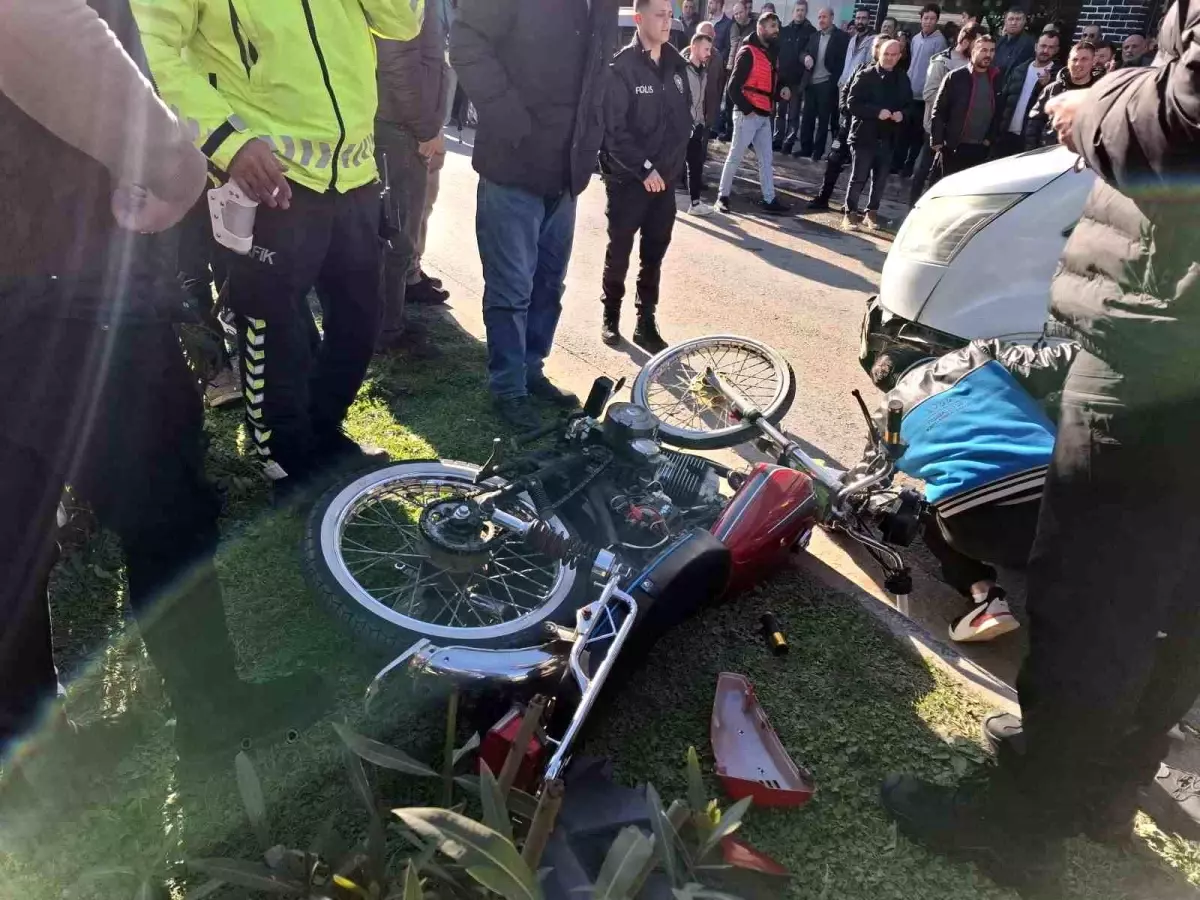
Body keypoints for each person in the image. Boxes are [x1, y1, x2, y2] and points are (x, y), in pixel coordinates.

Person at [881, 0, 1200, 891]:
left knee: (1095, 589)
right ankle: (1106, 788)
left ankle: (1022, 821)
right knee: (1179, 594)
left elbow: (1182, 116)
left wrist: (1096, 104)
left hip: (1166, 339)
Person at [0, 0, 326, 766]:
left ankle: (30, 749)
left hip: (37, 271)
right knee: (167, 507)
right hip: (67, 284)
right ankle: (211, 714)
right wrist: (173, 164)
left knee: (12, 526)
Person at [136, 0, 422, 498]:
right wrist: (227, 141)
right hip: (267, 177)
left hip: (354, 171)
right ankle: (287, 461)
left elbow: (401, 21)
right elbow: (150, 49)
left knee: (360, 319)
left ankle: (323, 434)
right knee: (273, 329)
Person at [451, 0, 617, 430]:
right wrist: (508, 115)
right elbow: (466, 42)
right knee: (511, 289)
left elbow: (598, 76)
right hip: (513, 164)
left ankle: (530, 370)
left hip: (566, 173)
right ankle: (508, 388)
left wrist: (593, 139)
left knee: (548, 284)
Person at [875, 340, 1078, 642]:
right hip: (1064, 502)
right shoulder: (979, 354)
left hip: (978, 529)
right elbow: (1061, 361)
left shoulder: (885, 417)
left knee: (917, 507)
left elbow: (870, 480)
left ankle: (985, 597)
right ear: (930, 354)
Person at [599, 0, 693, 353]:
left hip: (664, 182)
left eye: (670, 15)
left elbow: (682, 122)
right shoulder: (622, 67)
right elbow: (614, 132)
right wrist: (644, 169)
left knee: (654, 254)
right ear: (639, 18)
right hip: (628, 180)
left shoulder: (677, 65)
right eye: (659, 15)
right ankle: (611, 313)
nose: (667, 21)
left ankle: (645, 320)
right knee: (620, 251)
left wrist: (670, 168)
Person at [375, 2, 453, 353]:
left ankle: (388, 324)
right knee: (395, 236)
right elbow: (397, 60)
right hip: (399, 127)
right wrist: (426, 128)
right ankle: (386, 331)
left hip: (403, 124)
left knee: (399, 233)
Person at [716, 11, 792, 214]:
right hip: (747, 114)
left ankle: (769, 199)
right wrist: (747, 110)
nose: (776, 30)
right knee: (735, 156)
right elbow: (733, 87)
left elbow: (769, 83)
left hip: (763, 114)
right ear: (760, 28)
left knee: (766, 160)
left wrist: (781, 91)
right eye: (772, 26)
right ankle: (722, 197)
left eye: (777, 26)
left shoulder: (772, 53)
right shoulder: (747, 52)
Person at [807, 34, 886, 211]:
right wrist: (844, 107)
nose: (877, 50)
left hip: (867, 129)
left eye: (881, 46)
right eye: (876, 46)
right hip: (848, 124)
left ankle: (850, 205)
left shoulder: (888, 77)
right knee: (834, 159)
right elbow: (846, 91)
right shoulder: (861, 68)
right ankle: (823, 197)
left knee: (861, 169)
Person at [841, 37, 909, 231]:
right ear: (879, 53)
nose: (889, 58)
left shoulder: (902, 78)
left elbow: (910, 105)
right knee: (859, 177)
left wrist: (902, 114)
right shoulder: (866, 75)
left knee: (880, 180)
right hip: (864, 135)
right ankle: (849, 214)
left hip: (888, 137)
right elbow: (852, 103)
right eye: (886, 54)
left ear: (899, 56)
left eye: (893, 54)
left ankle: (871, 213)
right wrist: (876, 112)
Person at [908, 23, 979, 206]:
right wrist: (953, 106)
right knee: (923, 170)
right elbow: (929, 93)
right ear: (966, 41)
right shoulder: (942, 61)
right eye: (977, 44)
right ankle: (913, 205)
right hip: (936, 127)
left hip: (960, 132)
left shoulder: (975, 66)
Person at [930, 34, 1002, 178]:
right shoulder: (955, 77)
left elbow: (999, 112)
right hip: (954, 146)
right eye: (983, 50)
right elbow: (939, 110)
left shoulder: (997, 77)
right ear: (973, 51)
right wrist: (937, 140)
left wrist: (990, 139)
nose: (988, 55)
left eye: (992, 50)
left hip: (980, 148)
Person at [895, 4, 948, 177]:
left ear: (937, 20)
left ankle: (909, 166)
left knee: (917, 134)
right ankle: (897, 163)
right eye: (926, 18)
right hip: (910, 92)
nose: (928, 22)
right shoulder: (916, 38)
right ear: (921, 19)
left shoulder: (940, 42)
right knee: (903, 130)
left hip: (924, 96)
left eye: (932, 19)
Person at [994, 29, 1060, 157]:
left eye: (1051, 47)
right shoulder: (1020, 69)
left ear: (1056, 50)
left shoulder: (1057, 76)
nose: (1045, 50)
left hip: (1031, 141)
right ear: (1036, 46)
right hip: (1006, 136)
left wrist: (1046, 85)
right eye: (1043, 46)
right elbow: (1004, 101)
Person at [797, 6, 849, 159]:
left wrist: (836, 81)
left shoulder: (841, 37)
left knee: (823, 120)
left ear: (832, 18)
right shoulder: (814, 36)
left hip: (827, 83)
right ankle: (806, 148)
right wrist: (805, 57)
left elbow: (843, 61)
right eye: (819, 17)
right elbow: (803, 52)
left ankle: (818, 151)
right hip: (811, 83)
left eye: (824, 17)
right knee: (807, 118)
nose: (821, 20)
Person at [1024, 41, 1097, 150]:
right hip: (1049, 152)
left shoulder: (1099, 93)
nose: (1078, 64)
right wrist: (1032, 150)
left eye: (1084, 59)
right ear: (1068, 62)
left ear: (1093, 61)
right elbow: (1034, 123)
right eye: (1074, 59)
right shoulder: (1052, 89)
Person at [683, 32, 722, 216]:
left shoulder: (703, 71)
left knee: (696, 165)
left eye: (710, 50)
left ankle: (695, 204)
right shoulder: (683, 70)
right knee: (670, 166)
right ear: (694, 47)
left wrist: (701, 121)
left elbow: (701, 100)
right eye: (706, 49)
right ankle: (654, 203)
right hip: (682, 127)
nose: (708, 53)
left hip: (697, 125)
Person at [774, 1, 816, 153]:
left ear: (806, 12)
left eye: (803, 10)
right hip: (783, 79)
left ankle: (789, 142)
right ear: (793, 12)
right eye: (797, 10)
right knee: (780, 113)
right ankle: (777, 140)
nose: (800, 13)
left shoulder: (811, 32)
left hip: (798, 80)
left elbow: (809, 55)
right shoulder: (784, 31)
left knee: (793, 114)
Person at [719, 1, 757, 139]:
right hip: (732, 67)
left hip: (748, 70)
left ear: (746, 11)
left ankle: (745, 135)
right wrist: (728, 65)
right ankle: (729, 132)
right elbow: (730, 47)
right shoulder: (733, 26)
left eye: (740, 12)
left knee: (744, 102)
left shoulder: (754, 26)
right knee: (729, 101)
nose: (738, 16)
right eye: (735, 14)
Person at [838, 8, 876, 88]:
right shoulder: (852, 39)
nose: (860, 21)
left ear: (869, 21)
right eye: (858, 18)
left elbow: (870, 66)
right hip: (844, 84)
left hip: (859, 87)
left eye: (863, 18)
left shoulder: (874, 40)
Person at [993, 7, 1035, 79]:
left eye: (1018, 19)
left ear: (1024, 21)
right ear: (1005, 21)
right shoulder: (999, 42)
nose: (1014, 23)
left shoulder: (1029, 44)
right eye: (1011, 19)